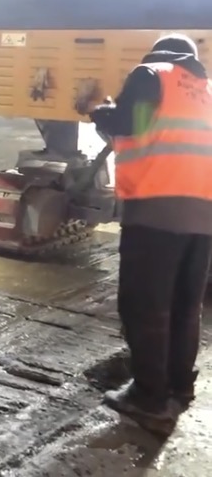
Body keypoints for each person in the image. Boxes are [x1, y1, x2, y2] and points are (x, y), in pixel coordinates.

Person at [89, 33, 212, 434]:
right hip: (203, 216)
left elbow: (133, 125)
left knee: (146, 306)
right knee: (185, 307)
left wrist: (99, 111)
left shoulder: (152, 74)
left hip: (157, 209)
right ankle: (178, 387)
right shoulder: (206, 90)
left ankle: (149, 398)